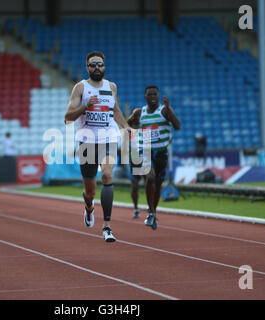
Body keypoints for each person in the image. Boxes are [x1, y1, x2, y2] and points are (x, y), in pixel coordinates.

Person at [64, 50, 131, 242]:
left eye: (100, 64)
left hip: (108, 138)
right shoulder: (80, 88)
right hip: (87, 141)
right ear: (87, 67)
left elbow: (115, 109)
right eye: (93, 64)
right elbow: (67, 118)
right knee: (90, 191)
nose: (96, 67)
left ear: (104, 66)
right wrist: (85, 106)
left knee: (108, 175)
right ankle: (89, 207)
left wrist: (126, 127)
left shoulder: (112, 87)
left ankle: (107, 226)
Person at [127, 85, 181, 230]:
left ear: (158, 96)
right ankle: (150, 211)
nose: (152, 96)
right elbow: (128, 125)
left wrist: (169, 110)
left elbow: (177, 126)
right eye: (149, 94)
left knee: (157, 185)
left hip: (161, 151)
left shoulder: (164, 110)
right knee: (149, 177)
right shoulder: (139, 112)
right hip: (145, 150)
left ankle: (153, 211)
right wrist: (131, 121)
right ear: (145, 96)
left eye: (155, 94)